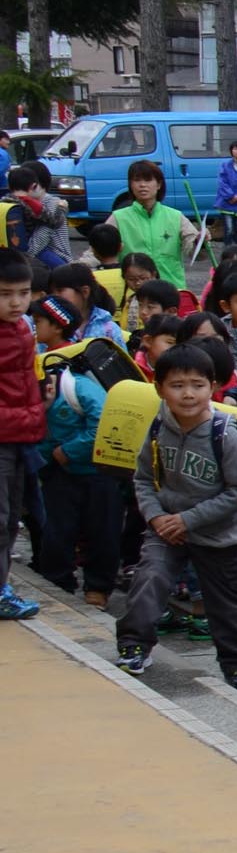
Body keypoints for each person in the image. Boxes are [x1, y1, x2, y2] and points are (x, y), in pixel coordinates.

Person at [114, 344, 237, 691]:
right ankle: (134, 646)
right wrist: (156, 518)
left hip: (217, 535)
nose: (188, 394)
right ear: (159, 388)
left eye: (197, 385)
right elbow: (144, 479)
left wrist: (188, 520)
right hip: (165, 530)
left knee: (226, 605)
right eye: (177, 385)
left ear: (213, 386)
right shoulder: (156, 428)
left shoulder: (225, 433)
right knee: (148, 579)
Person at [33, 310, 118, 608]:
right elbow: (37, 433)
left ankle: (98, 587)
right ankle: (58, 583)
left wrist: (66, 452)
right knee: (57, 532)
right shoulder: (41, 390)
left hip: (98, 471)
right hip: (60, 474)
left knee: (102, 531)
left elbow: (103, 422)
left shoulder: (77, 386)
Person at [0, 248, 40, 620]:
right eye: (5, 294)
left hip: (19, 436)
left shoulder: (22, 330)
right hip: (6, 435)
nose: (16, 302)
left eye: (23, 293)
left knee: (12, 516)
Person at [112, 161, 197, 287]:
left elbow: (194, 251)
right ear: (130, 185)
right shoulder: (118, 218)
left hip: (172, 291)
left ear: (159, 184)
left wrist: (200, 242)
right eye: (137, 180)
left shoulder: (175, 216)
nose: (142, 185)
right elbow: (98, 250)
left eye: (148, 180)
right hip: (134, 294)